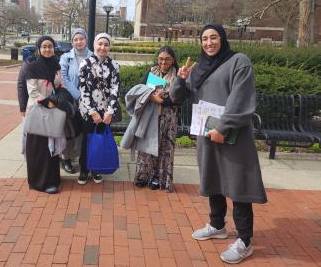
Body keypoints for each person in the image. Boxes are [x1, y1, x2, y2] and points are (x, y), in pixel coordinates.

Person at [169, 23, 267, 264]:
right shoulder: (198, 68)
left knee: (237, 184)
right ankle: (217, 225)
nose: (209, 43)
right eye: (204, 39)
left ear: (222, 39)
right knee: (213, 178)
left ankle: (245, 240)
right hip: (206, 133)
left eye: (213, 38)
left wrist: (223, 128)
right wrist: (180, 80)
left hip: (232, 136)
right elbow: (176, 98)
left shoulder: (238, 62)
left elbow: (240, 98)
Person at [122, 46, 179, 192]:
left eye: (167, 59)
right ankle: (144, 176)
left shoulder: (177, 75)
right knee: (146, 147)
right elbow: (141, 88)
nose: (163, 62)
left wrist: (162, 101)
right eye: (160, 59)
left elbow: (180, 97)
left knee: (164, 148)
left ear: (173, 60)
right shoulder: (151, 71)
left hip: (167, 118)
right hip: (149, 116)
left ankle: (158, 178)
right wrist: (151, 97)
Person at [77, 32, 120, 185]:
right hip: (88, 112)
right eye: (100, 44)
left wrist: (109, 112)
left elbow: (115, 89)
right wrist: (92, 112)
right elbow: (83, 90)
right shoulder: (85, 64)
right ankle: (84, 169)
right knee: (87, 140)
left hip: (105, 112)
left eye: (106, 44)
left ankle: (96, 169)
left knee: (99, 140)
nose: (103, 47)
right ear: (94, 45)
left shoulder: (114, 65)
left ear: (109, 47)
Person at [24, 36, 64, 194]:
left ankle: (52, 179)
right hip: (38, 111)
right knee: (38, 147)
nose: (48, 49)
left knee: (51, 146)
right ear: (39, 49)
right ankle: (39, 182)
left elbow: (59, 85)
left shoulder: (56, 65)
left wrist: (59, 98)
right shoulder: (32, 66)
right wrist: (48, 103)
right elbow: (32, 92)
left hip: (52, 109)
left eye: (50, 46)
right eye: (44, 47)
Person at [59, 28, 93, 174]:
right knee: (69, 130)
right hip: (71, 100)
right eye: (76, 39)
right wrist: (77, 94)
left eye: (81, 39)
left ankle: (82, 158)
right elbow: (63, 77)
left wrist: (86, 97)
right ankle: (66, 159)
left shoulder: (94, 56)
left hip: (89, 102)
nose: (79, 42)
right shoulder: (66, 57)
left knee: (83, 131)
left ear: (86, 40)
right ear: (72, 42)